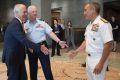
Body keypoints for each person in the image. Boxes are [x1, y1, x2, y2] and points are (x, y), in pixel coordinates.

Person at [68, 2, 113, 80]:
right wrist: (76, 51)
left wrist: (101, 64)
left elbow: (108, 45)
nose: (84, 13)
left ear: (93, 10)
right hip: (88, 59)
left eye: (85, 10)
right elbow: (86, 41)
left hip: (98, 59)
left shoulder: (104, 24)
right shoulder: (89, 26)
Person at [24, 5, 67, 80]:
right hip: (31, 48)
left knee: (46, 68)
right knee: (33, 69)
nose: (35, 13)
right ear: (28, 13)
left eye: (36, 11)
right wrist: (28, 47)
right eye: (33, 12)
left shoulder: (42, 23)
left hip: (43, 46)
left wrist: (58, 41)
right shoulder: (24, 25)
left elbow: (50, 33)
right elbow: (23, 38)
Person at [2, 4, 42, 80]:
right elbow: (23, 40)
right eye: (24, 12)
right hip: (13, 58)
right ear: (17, 13)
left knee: (22, 77)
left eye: (26, 12)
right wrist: (39, 47)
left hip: (18, 57)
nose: (26, 14)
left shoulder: (18, 23)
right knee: (14, 77)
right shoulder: (15, 24)